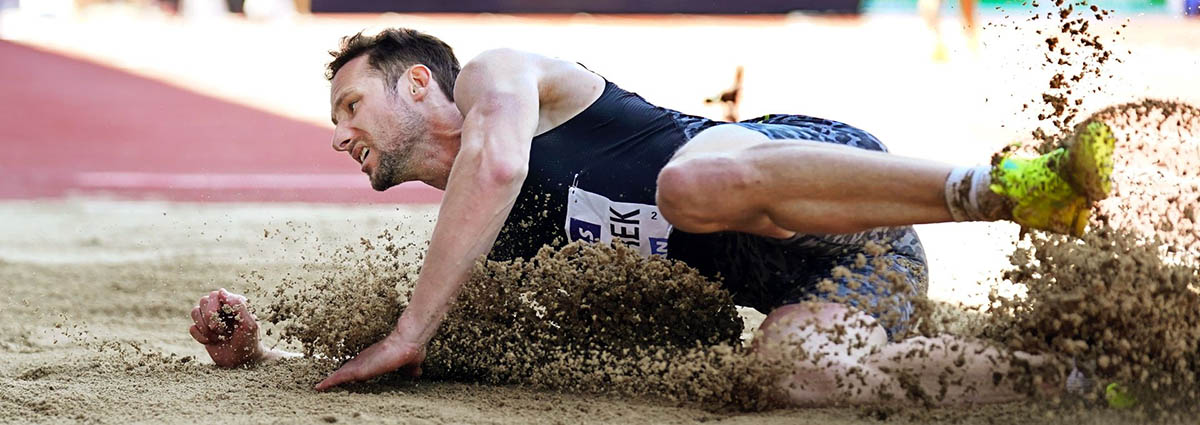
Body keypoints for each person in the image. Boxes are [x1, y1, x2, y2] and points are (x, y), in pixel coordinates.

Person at [188, 28, 1114, 405]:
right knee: (793, 371)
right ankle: (1078, 381)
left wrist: (410, 326)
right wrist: (261, 354)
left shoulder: (498, 79)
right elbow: (458, 345)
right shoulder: (481, 238)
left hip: (804, 170)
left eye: (351, 107)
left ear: (419, 81)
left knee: (687, 187)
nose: (340, 134)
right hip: (854, 268)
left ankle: (1007, 188)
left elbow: (500, 159)